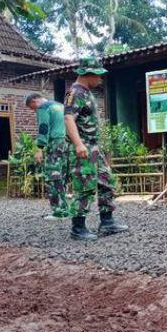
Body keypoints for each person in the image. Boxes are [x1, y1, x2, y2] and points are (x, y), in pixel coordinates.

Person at [64, 57, 128, 241]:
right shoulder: (75, 92)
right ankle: (78, 228)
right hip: (83, 148)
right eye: (98, 75)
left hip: (93, 147)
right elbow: (68, 118)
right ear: (87, 74)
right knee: (85, 186)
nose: (100, 79)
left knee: (106, 181)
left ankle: (107, 221)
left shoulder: (86, 92)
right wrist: (78, 144)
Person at [25, 93, 68, 220]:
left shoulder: (43, 107)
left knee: (53, 176)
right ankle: (65, 209)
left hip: (55, 143)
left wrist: (39, 148)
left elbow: (43, 128)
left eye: (31, 107)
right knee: (62, 176)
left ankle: (59, 212)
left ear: (34, 100)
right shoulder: (60, 106)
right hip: (66, 144)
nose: (33, 110)